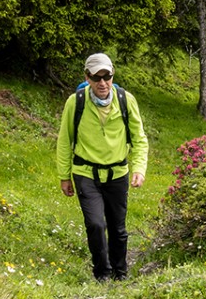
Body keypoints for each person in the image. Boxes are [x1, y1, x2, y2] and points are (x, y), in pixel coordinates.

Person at [56, 53, 148, 281]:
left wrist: (139, 169)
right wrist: (64, 176)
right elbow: (65, 140)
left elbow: (139, 138)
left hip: (118, 174)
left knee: (118, 228)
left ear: (112, 75)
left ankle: (120, 271)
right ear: (87, 77)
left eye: (107, 77)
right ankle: (102, 273)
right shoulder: (75, 102)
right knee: (96, 225)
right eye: (97, 78)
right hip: (85, 173)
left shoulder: (126, 99)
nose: (103, 83)